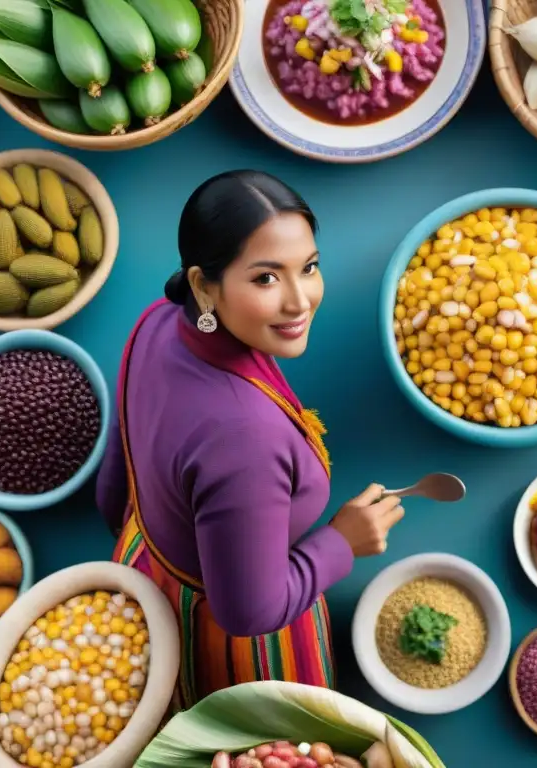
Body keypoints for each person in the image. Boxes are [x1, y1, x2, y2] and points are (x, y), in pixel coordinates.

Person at [96, 169, 406, 709]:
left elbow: (117, 465)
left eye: (308, 268)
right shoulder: (246, 439)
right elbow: (248, 612)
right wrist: (343, 540)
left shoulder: (157, 321)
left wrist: (131, 526)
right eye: (266, 278)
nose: (299, 301)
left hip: (145, 554)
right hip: (223, 631)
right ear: (203, 285)